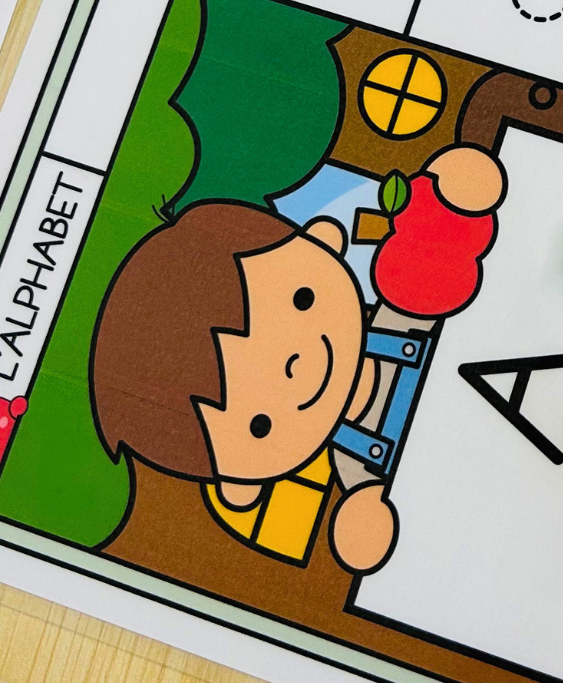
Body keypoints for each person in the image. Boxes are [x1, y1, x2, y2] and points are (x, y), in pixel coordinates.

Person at [91, 147, 506, 574]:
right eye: (260, 424)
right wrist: (364, 510)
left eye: (301, 300)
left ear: (323, 241)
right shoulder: (356, 463)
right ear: (242, 484)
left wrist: (446, 202)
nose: (294, 366)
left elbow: (450, 243)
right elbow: (369, 527)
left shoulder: (405, 303)